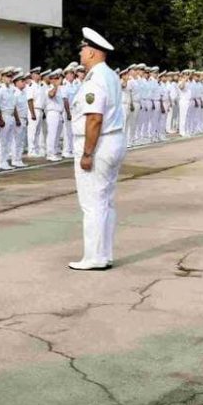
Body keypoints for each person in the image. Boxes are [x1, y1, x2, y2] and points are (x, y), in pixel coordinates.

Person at [69, 27, 126, 271]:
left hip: (98, 144)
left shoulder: (96, 78)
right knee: (106, 201)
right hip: (112, 140)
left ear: (92, 52)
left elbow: (94, 118)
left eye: (83, 49)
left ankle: (94, 257)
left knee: (92, 203)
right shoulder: (110, 75)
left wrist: (87, 153)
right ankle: (105, 254)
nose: (80, 53)